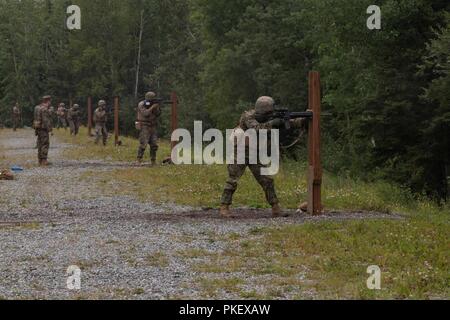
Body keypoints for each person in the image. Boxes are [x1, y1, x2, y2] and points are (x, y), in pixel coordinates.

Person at [220, 96, 309, 218]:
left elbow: (287, 123)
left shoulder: (268, 119)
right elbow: (257, 129)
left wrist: (302, 121)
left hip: (255, 152)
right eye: (269, 112)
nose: (271, 114)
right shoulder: (248, 116)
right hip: (241, 150)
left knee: (267, 180)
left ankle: (276, 208)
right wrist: (274, 122)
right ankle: (224, 207)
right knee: (233, 180)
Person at [136, 92, 161, 166]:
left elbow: (158, 114)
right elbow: (145, 114)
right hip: (144, 125)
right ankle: (139, 159)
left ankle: (153, 160)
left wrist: (156, 107)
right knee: (143, 143)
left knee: (154, 144)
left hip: (152, 126)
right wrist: (152, 107)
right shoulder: (141, 104)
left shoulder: (153, 105)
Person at [33, 95, 53, 166]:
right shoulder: (44, 109)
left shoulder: (37, 107)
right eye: (50, 101)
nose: (50, 103)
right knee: (45, 144)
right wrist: (50, 129)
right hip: (43, 128)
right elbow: (45, 120)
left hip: (38, 128)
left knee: (39, 143)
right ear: (48, 101)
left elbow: (35, 118)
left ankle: (39, 160)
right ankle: (44, 160)